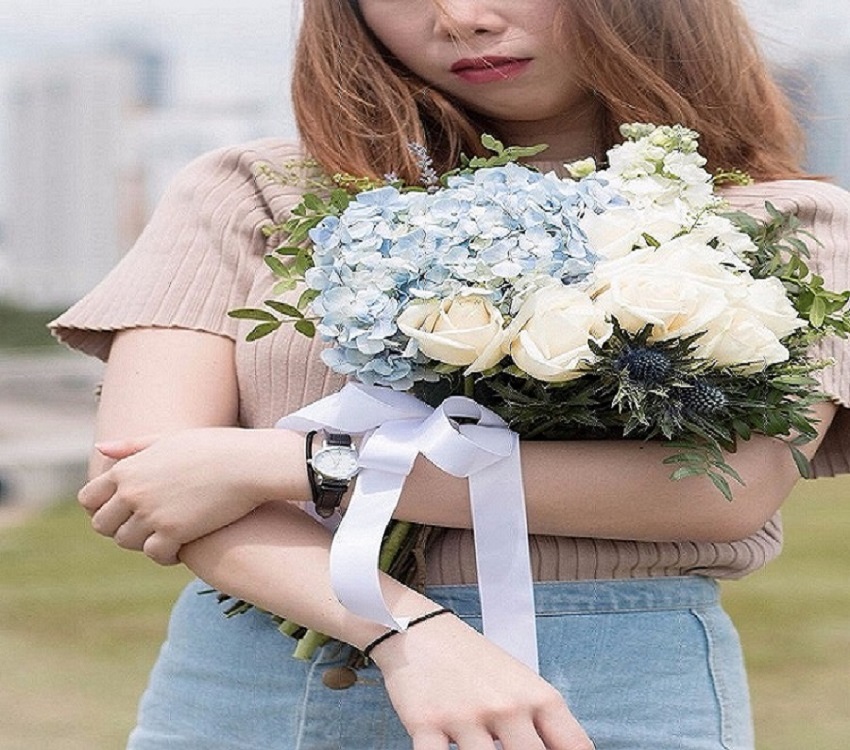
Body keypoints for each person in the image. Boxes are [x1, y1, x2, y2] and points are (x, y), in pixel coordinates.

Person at [50, 1, 850, 748]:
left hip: (610, 691)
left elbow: (727, 490)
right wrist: (406, 633)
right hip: (258, 689)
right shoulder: (257, 192)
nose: (459, 19)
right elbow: (149, 479)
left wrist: (292, 463)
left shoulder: (782, 225)